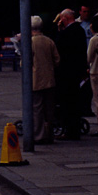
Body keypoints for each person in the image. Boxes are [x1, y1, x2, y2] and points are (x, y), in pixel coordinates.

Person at [55, 8, 87, 139]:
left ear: (65, 18)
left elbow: (59, 49)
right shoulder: (79, 30)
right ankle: (74, 128)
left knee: (67, 102)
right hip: (76, 71)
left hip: (66, 72)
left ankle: (70, 130)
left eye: (61, 18)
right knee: (75, 100)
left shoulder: (66, 33)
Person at [31, 15, 60, 144]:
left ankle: (39, 135)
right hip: (50, 79)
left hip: (35, 80)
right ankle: (50, 134)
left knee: (37, 108)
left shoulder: (30, 42)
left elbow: (24, 62)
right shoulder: (49, 41)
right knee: (49, 109)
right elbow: (57, 60)